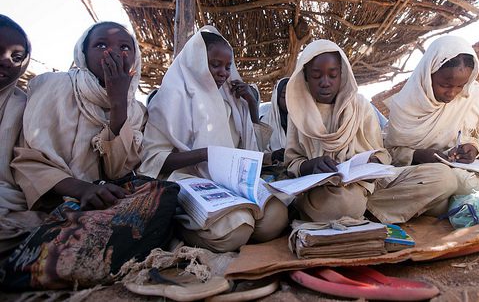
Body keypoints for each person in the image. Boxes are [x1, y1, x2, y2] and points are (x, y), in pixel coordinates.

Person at [140, 26, 287, 252]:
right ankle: (180, 226)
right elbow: (153, 160)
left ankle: (231, 223)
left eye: (228, 66)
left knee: (275, 218)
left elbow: (248, 149)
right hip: (189, 178)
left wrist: (250, 106)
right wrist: (206, 155)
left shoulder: (230, 97)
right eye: (214, 64)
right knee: (235, 231)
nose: (224, 73)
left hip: (230, 180)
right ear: (195, 61)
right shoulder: (171, 98)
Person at [285, 39, 459, 223]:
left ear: (342, 75)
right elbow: (292, 164)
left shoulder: (360, 106)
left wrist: (371, 160)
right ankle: (368, 210)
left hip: (370, 186)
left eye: (333, 75)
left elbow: (383, 155)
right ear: (305, 77)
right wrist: (311, 165)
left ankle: (362, 211)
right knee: (340, 203)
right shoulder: (298, 113)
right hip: (329, 190)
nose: (325, 82)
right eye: (316, 76)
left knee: (444, 177)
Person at [12, 21, 146, 211]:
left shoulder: (136, 110)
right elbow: (29, 160)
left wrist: (118, 103)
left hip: (104, 203)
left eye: (124, 47)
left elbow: (118, 171)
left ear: (135, 58)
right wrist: (83, 189)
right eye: (101, 45)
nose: (113, 52)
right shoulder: (53, 87)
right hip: (50, 202)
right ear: (83, 54)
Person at [385, 36, 479, 195]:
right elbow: (390, 151)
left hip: (468, 175)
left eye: (460, 85)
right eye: (444, 85)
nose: (452, 93)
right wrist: (417, 155)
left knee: (472, 185)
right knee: (447, 183)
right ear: (428, 75)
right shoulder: (405, 106)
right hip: (425, 176)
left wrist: (474, 148)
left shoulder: (473, 98)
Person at [0, 15, 46, 259]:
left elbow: (29, 165)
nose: (6, 61)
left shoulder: (22, 107)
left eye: (17, 58)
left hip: (9, 203)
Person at [260, 78, 289, 163]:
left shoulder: (304, 121)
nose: (288, 100)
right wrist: (273, 156)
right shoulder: (265, 122)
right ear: (277, 97)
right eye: (284, 96)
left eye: (292, 96)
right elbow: (256, 152)